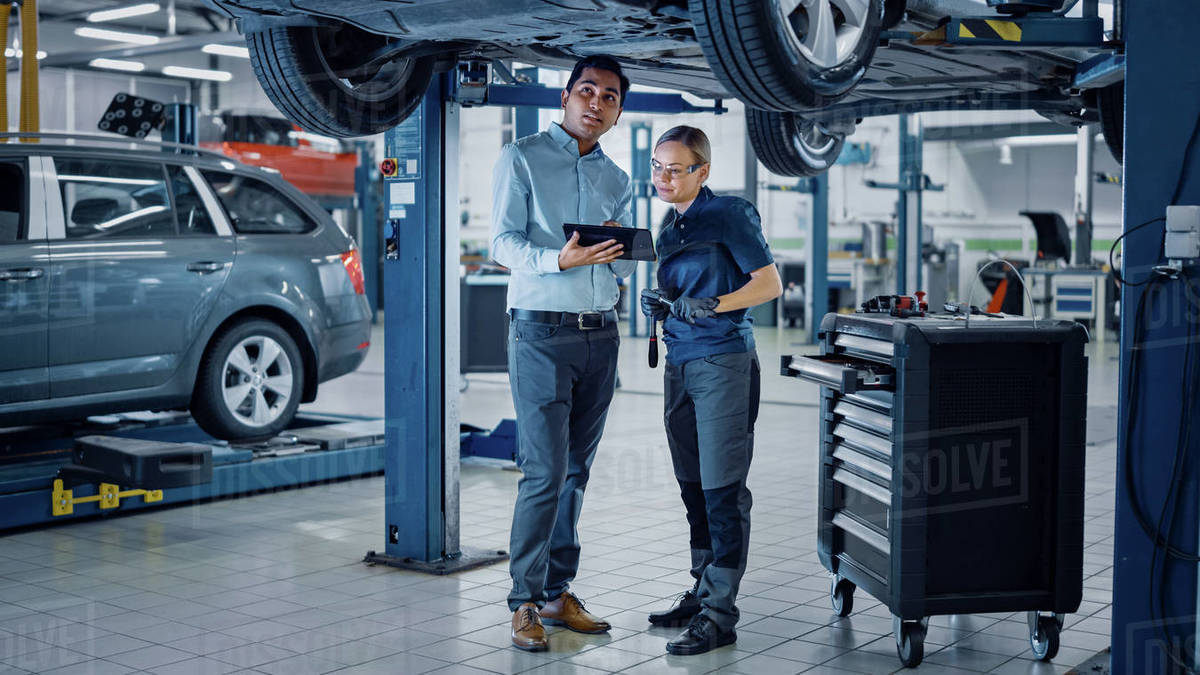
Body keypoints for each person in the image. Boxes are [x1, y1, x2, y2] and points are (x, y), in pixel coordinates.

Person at [490, 54, 636, 652]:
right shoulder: (520, 157)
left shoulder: (618, 179)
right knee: (544, 472)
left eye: (609, 96)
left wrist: (618, 274)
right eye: (586, 91)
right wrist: (559, 260)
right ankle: (523, 600)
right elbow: (502, 242)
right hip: (541, 336)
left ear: (619, 110)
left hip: (601, 335)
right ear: (565, 97)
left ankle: (557, 592)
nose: (596, 102)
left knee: (575, 473)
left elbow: (612, 252)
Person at [639, 125, 782, 655]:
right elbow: (686, 288)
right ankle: (702, 591)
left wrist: (714, 305)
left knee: (722, 488)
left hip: (722, 359)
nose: (664, 178)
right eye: (657, 167)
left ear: (703, 171)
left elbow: (768, 283)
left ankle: (721, 613)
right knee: (692, 484)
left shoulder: (731, 213)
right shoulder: (670, 224)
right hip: (679, 363)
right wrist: (663, 302)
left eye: (676, 169)